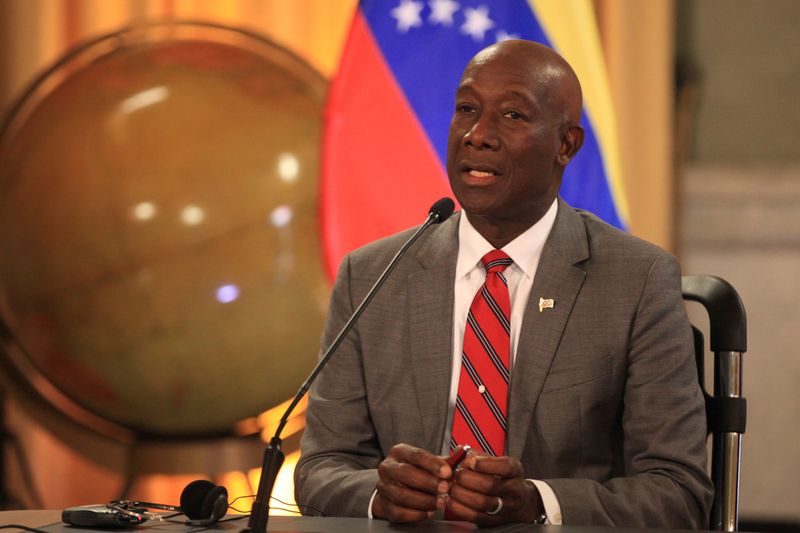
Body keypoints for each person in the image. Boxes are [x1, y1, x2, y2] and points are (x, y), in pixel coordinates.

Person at [295, 40, 713, 528]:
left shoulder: (636, 281)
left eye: (512, 115)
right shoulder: (370, 275)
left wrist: (537, 503)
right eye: (467, 109)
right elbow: (321, 468)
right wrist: (379, 495)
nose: (477, 135)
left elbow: (678, 492)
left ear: (566, 145)